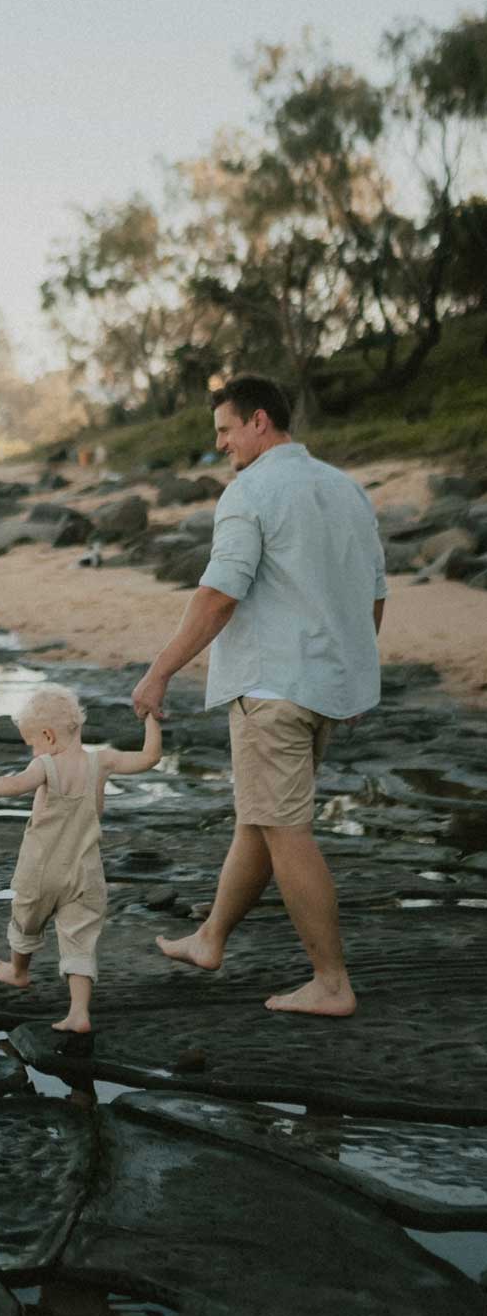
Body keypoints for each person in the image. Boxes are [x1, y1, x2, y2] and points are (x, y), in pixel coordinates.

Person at [130, 375, 387, 1018]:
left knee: (285, 829)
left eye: (225, 429)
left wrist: (160, 671)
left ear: (260, 423)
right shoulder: (344, 487)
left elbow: (219, 594)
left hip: (271, 690)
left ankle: (331, 982)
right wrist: (352, 670)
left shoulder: (252, 490)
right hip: (320, 687)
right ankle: (210, 938)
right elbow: (375, 591)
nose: (219, 444)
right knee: (261, 819)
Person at [0, 684, 162, 1039]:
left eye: (32, 742)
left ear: (47, 736)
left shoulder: (45, 765)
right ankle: (78, 1012)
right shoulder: (102, 760)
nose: (33, 749)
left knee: (26, 921)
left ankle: (19, 971)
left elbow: (14, 784)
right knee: (80, 938)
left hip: (40, 869)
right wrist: (152, 718)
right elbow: (149, 757)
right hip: (86, 870)